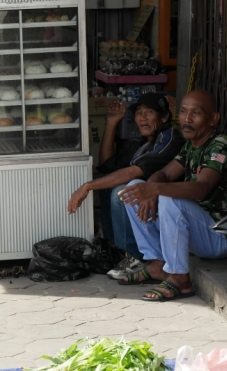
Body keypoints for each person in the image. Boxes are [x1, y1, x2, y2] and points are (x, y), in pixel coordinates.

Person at [115, 90, 227, 302]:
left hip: (219, 237)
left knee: (168, 197)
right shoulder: (191, 145)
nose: (187, 119)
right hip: (195, 231)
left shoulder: (220, 145)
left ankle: (181, 278)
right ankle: (157, 264)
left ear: (213, 118)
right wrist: (152, 188)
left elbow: (202, 187)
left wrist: (156, 191)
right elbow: (164, 173)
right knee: (136, 187)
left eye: (196, 113)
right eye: (183, 112)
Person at [67, 93, 184, 277]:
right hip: (147, 209)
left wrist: (87, 186)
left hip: (169, 211)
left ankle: (134, 256)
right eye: (139, 113)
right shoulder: (142, 143)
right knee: (107, 185)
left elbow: (133, 172)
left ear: (164, 117)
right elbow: (107, 165)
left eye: (150, 112)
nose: (143, 118)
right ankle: (117, 251)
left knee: (120, 192)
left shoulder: (169, 138)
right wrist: (112, 123)